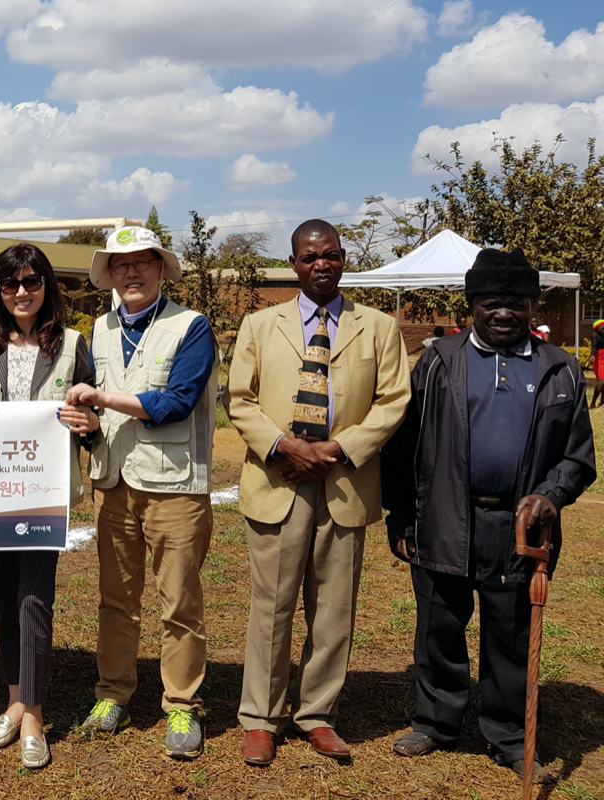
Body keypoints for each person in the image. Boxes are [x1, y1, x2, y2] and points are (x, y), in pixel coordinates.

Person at [382, 248, 595, 786]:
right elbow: (404, 447)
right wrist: (402, 516)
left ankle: (508, 734)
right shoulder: (437, 360)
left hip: (523, 528)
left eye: (516, 304)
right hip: (443, 517)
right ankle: (436, 721)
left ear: (532, 305)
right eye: (492, 303)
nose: (504, 314)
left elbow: (578, 457)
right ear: (472, 304)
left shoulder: (560, 369)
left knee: (512, 632)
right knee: (439, 626)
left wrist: (551, 493)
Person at [226, 219, 410, 767]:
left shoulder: (378, 327)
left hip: (344, 481)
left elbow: (393, 400)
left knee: (333, 610)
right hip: (279, 480)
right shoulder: (260, 325)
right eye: (309, 258)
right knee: (272, 607)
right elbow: (240, 399)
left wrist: (340, 448)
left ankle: (317, 713)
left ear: (344, 258)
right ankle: (261, 717)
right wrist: (286, 446)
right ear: (294, 264)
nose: (321, 265)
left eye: (330, 254)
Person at [65, 225, 218, 761]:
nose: (131, 272)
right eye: (119, 264)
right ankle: (113, 694)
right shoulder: (97, 330)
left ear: (161, 268)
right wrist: (80, 420)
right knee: (115, 600)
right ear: (107, 274)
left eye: (142, 262)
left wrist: (102, 395)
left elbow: (177, 401)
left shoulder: (190, 326)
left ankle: (182, 702)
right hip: (113, 484)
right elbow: (90, 412)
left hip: (174, 486)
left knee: (179, 601)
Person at [0, 243, 97, 769]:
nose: (21, 292)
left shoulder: (73, 344)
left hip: (45, 493)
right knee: (4, 594)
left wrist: (89, 427)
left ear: (47, 286)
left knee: (35, 598)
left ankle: (34, 714)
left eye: (31, 282)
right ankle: (13, 697)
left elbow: (96, 418)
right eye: (10, 284)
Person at [591, 319, 604, 408]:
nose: (603, 331)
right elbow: (594, 346)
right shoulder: (595, 336)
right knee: (601, 382)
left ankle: (602, 403)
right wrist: (593, 355)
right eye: (601, 329)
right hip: (599, 359)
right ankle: (593, 403)